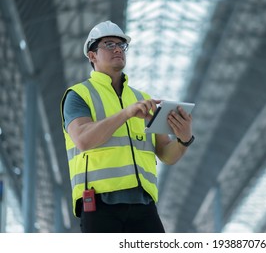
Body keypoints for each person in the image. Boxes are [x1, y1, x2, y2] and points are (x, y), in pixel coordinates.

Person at [60, 20, 195, 233]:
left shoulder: (143, 98)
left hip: (144, 206)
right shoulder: (78, 95)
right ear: (92, 55)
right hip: (99, 205)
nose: (117, 49)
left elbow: (167, 155)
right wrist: (127, 113)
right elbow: (83, 140)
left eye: (121, 45)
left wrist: (184, 138)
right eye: (109, 44)